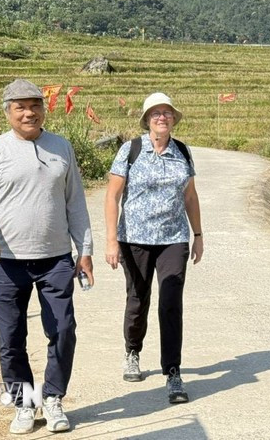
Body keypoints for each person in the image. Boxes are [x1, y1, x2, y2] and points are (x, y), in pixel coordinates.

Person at [0, 78, 94, 434]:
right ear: (8, 112)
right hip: (7, 262)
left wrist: (84, 252)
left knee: (64, 329)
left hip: (56, 259)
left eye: (35, 105)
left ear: (44, 108)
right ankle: (23, 403)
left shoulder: (61, 147)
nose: (29, 112)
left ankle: (53, 398)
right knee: (10, 338)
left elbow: (76, 204)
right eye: (20, 106)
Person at [104, 92, 203, 404]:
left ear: (173, 118)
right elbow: (112, 196)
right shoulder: (130, 150)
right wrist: (110, 239)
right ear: (147, 119)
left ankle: (172, 371)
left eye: (167, 113)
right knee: (138, 298)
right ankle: (132, 350)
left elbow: (190, 196)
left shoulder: (182, 152)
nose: (162, 117)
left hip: (173, 237)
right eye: (156, 113)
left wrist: (198, 234)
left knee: (171, 301)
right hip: (134, 238)